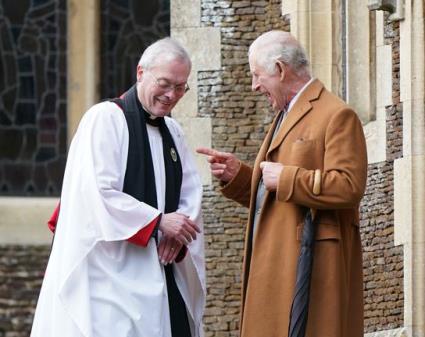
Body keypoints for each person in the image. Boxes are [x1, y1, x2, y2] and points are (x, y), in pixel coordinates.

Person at [31, 38, 206, 337]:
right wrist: (159, 222)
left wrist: (180, 232)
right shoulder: (104, 120)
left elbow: (191, 191)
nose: (171, 95)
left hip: (162, 267)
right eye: (165, 83)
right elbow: (95, 192)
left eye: (180, 87)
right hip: (111, 274)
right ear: (141, 73)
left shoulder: (173, 131)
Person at [197, 30, 367, 337]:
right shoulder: (284, 115)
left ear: (280, 69)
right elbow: (275, 193)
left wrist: (286, 177)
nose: (254, 86)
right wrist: (239, 176)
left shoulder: (337, 114)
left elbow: (349, 186)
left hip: (312, 268)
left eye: (257, 75)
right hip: (276, 264)